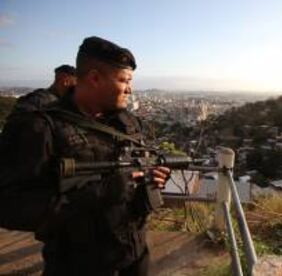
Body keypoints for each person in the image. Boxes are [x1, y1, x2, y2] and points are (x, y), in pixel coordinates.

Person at [0, 36, 170, 275]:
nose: (130, 88)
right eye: (123, 80)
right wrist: (97, 194)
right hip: (76, 265)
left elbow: (135, 175)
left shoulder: (129, 123)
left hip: (134, 256)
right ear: (94, 78)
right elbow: (9, 207)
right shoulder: (42, 127)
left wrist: (151, 179)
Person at [11, 64, 77, 112]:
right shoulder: (42, 101)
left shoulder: (42, 99)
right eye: (75, 84)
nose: (76, 88)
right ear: (66, 82)